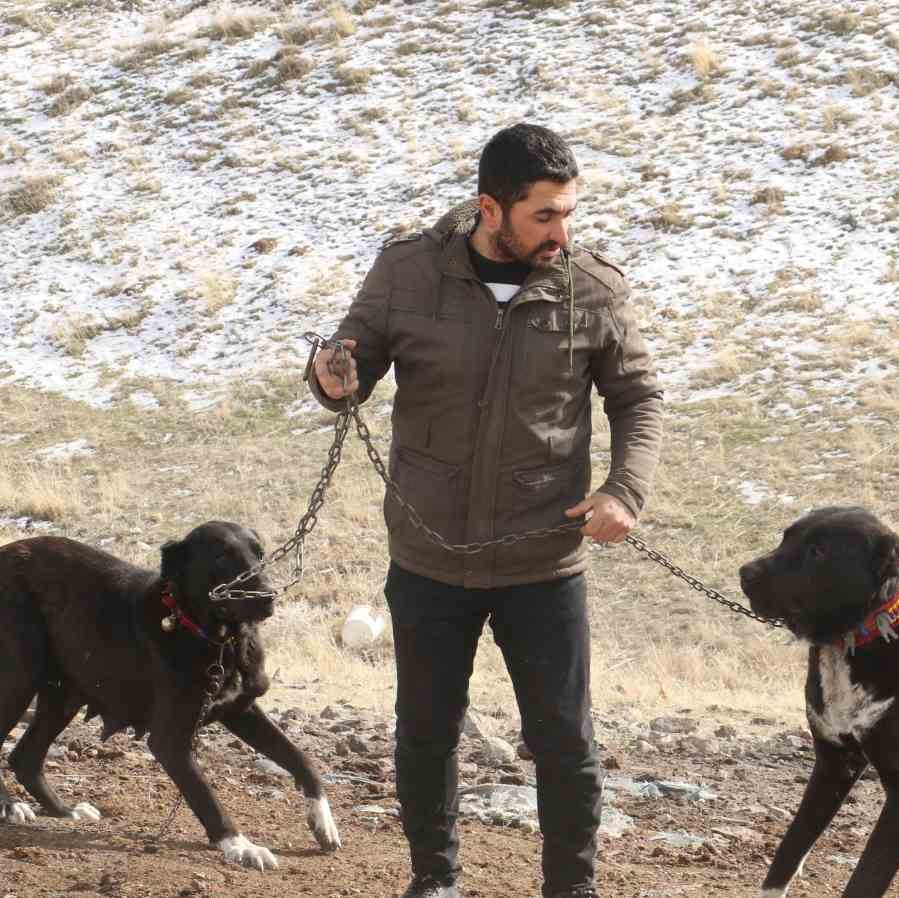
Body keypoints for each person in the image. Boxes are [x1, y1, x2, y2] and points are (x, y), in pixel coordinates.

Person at [305, 123, 664, 898]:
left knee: (565, 741)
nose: (562, 233)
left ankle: (573, 890)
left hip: (544, 562)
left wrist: (623, 492)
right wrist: (333, 376)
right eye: (545, 216)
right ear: (489, 209)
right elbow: (350, 358)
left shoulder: (592, 285)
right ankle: (434, 882)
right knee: (426, 735)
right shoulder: (406, 273)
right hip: (429, 561)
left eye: (569, 213)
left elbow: (637, 398)